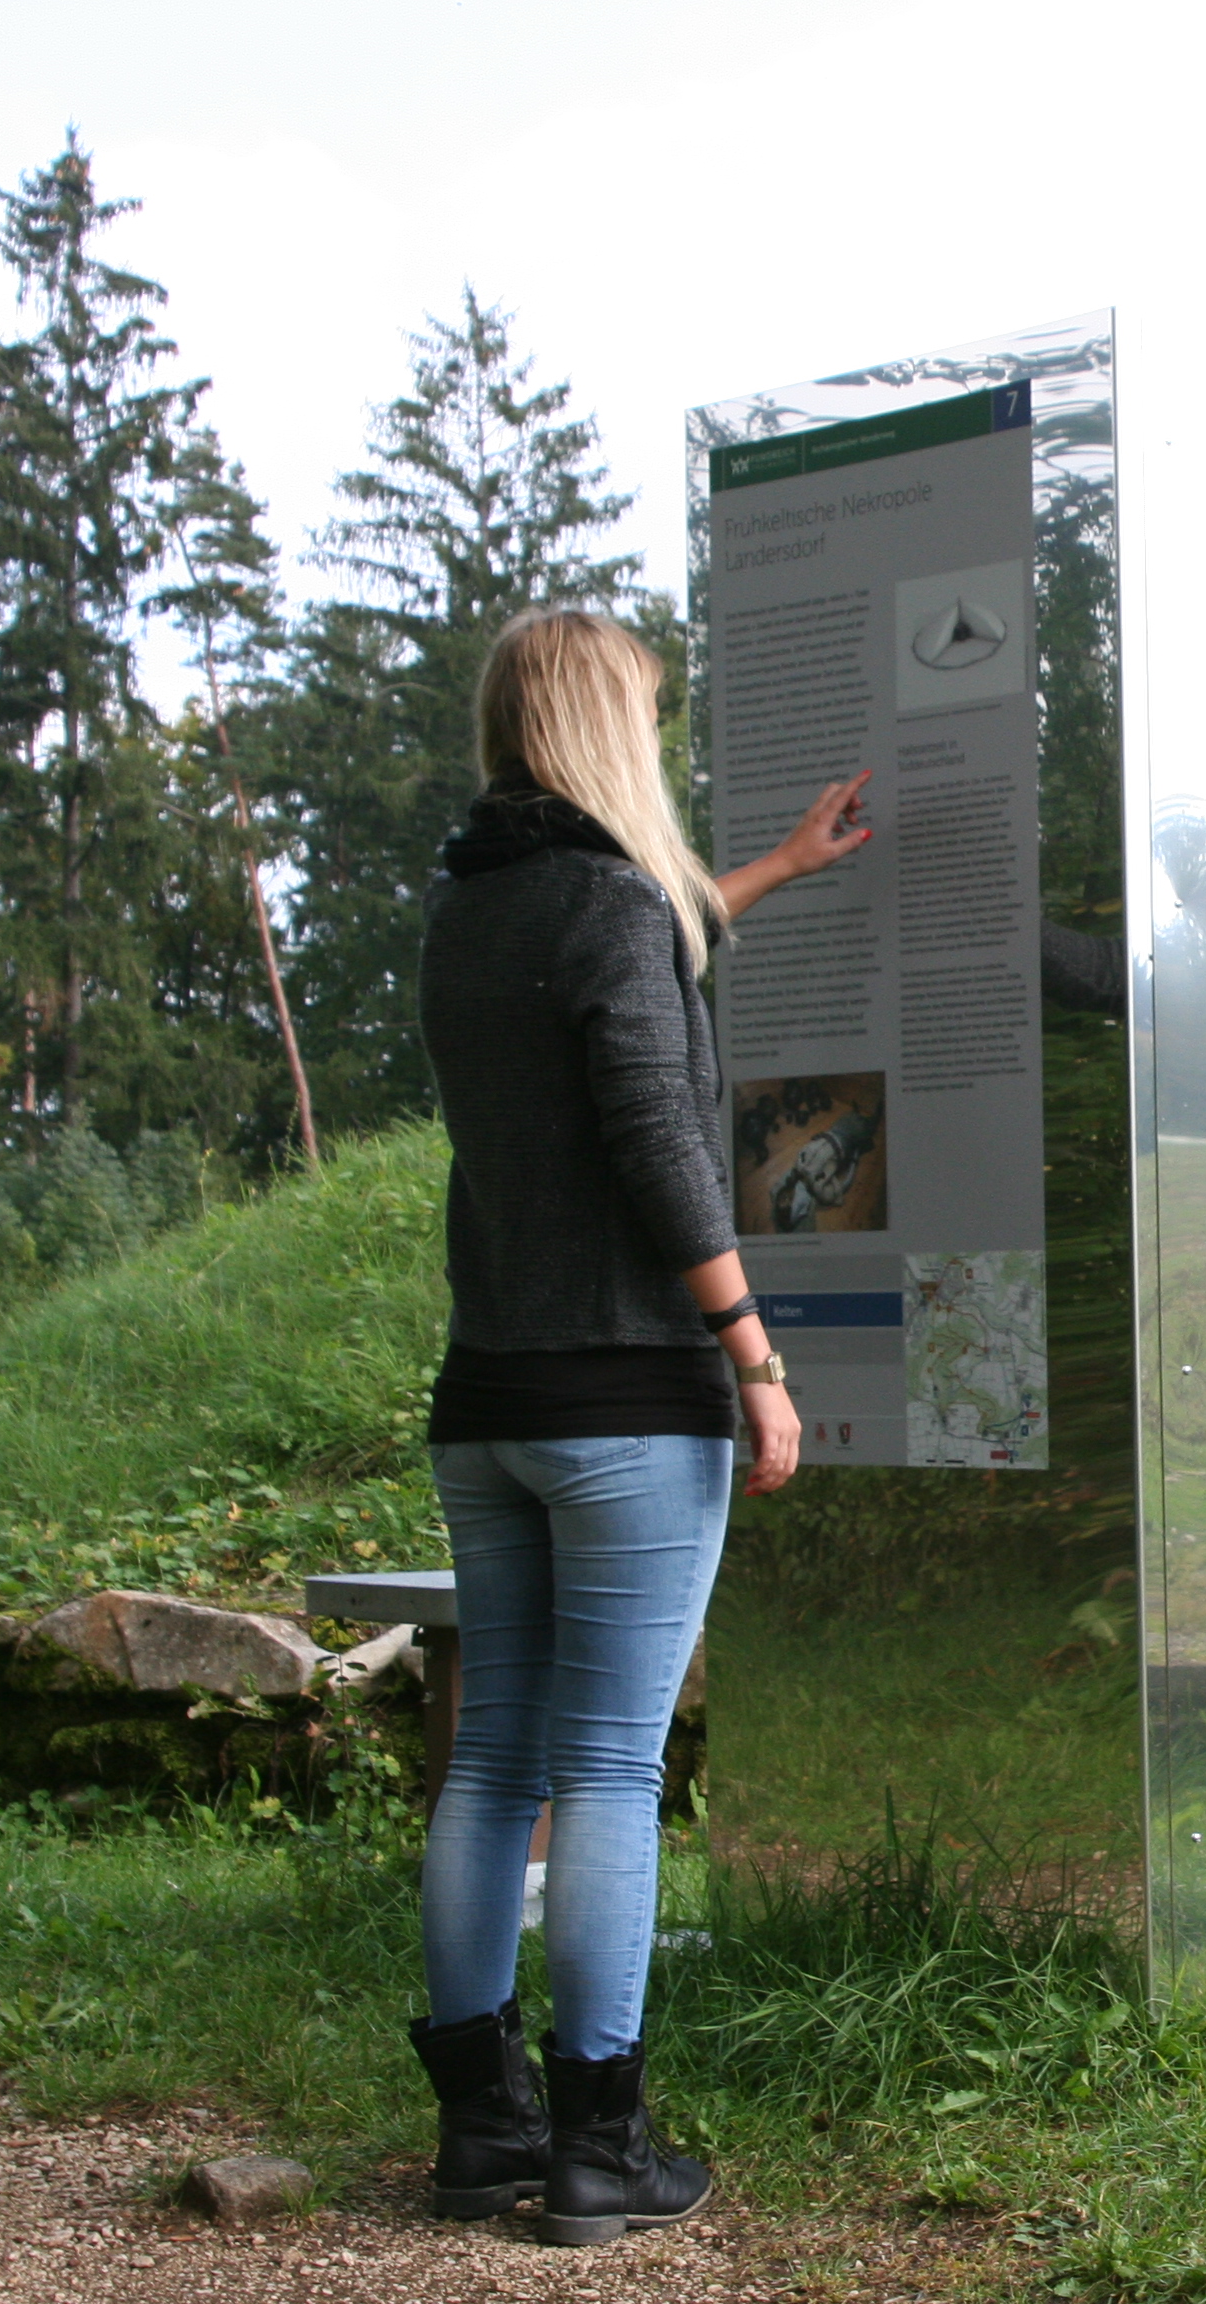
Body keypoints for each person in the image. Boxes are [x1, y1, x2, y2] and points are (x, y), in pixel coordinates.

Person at [402, 607, 869, 2248]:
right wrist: (753, 1348)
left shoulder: (474, 906)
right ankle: (604, 2147)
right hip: (624, 1400)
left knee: (494, 1765)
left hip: (491, 1403)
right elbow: (664, 1144)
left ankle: (482, 2129)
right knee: (606, 1766)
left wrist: (772, 875)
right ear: (609, 722)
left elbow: (618, 964)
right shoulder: (609, 905)